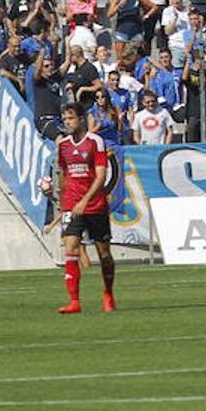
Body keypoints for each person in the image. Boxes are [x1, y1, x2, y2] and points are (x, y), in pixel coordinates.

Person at [53, 103, 116, 314]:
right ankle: (74, 302)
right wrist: (63, 201)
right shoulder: (63, 145)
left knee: (104, 254)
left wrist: (85, 201)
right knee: (70, 248)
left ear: (81, 119)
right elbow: (64, 174)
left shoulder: (95, 142)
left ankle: (108, 293)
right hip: (71, 204)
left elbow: (101, 175)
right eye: (64, 119)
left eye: (70, 118)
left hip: (95, 205)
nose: (67, 122)